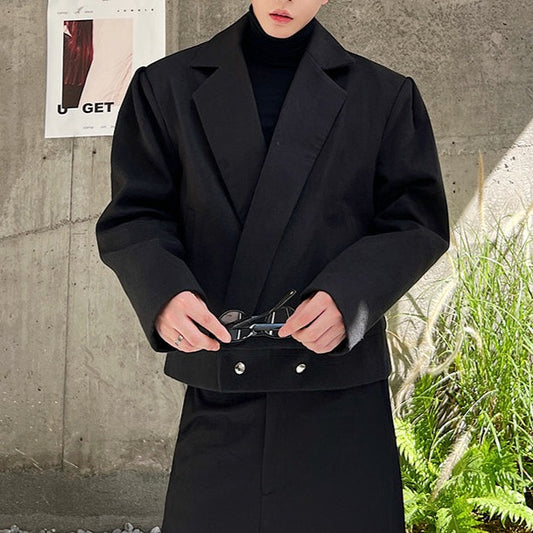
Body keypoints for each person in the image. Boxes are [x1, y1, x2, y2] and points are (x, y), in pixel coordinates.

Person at [95, 1, 450, 531]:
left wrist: (350, 298)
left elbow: (416, 222)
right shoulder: (164, 87)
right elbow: (136, 214)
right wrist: (163, 293)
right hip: (222, 383)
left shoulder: (384, 95)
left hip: (338, 389)